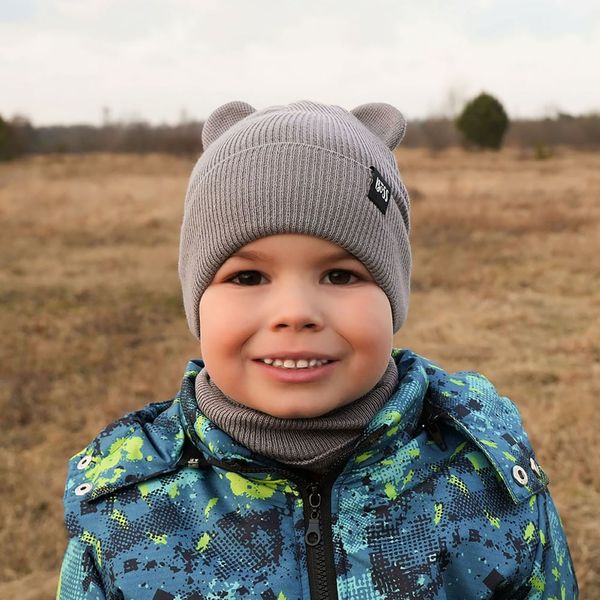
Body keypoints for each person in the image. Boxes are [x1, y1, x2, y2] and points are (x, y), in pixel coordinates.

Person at [56, 100, 578, 599]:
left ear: (393, 298)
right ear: (197, 303)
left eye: (339, 274)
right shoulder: (124, 510)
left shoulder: (486, 470)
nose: (295, 311)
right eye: (249, 276)